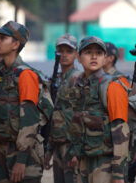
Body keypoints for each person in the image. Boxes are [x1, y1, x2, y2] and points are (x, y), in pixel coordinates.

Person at [0, 21, 45, 183]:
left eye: (2, 38)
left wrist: (21, 160)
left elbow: (30, 119)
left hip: (24, 154)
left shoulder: (25, 75)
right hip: (0, 150)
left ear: (16, 44)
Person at [67, 36, 129, 183]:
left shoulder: (112, 86)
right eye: (88, 52)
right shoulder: (78, 85)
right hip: (83, 161)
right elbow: (77, 122)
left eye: (99, 53)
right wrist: (74, 153)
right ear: (78, 57)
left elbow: (121, 130)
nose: (94, 56)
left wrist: (118, 174)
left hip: (105, 163)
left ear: (105, 57)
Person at [47, 34, 81, 183]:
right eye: (61, 51)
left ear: (76, 54)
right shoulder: (56, 79)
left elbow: (82, 116)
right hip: (57, 144)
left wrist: (77, 151)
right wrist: (48, 149)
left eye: (69, 51)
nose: (65, 55)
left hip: (72, 146)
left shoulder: (80, 79)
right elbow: (53, 117)